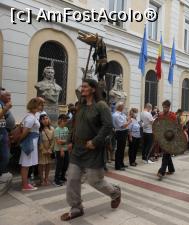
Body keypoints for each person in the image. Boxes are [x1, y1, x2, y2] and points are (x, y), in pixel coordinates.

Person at [61, 79, 121, 221]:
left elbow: (108, 126)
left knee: (95, 181)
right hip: (78, 150)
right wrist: (70, 141)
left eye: (85, 86)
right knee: (72, 179)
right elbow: (74, 125)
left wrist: (95, 141)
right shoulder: (80, 106)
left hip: (93, 150)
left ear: (93, 89)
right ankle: (76, 208)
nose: (82, 88)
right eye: (82, 86)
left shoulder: (101, 106)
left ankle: (115, 193)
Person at [19, 98, 41, 191]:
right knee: (26, 164)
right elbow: (25, 132)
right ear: (35, 106)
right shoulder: (31, 118)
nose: (41, 106)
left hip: (32, 141)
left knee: (27, 164)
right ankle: (25, 185)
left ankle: (25, 183)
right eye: (40, 104)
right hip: (29, 142)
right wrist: (19, 141)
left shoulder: (32, 115)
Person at [157, 100, 177, 180]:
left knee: (165, 154)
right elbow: (158, 125)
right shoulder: (161, 115)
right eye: (163, 107)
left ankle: (161, 172)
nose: (164, 109)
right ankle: (171, 169)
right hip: (163, 137)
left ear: (169, 107)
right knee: (167, 154)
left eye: (165, 107)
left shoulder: (173, 116)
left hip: (170, 138)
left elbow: (175, 127)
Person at [0, 88, 13, 195]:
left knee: (5, 156)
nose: (10, 97)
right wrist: (6, 109)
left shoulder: (3, 104)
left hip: (3, 132)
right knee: (4, 156)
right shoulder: (3, 105)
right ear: (1, 96)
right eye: (7, 95)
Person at [112, 102, 131, 170]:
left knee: (122, 149)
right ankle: (118, 165)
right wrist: (129, 121)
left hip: (123, 132)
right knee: (119, 150)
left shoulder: (121, 114)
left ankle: (121, 163)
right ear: (119, 107)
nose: (124, 107)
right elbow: (122, 126)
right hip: (120, 132)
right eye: (123, 106)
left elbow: (126, 120)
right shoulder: (116, 115)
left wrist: (128, 119)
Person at [38, 114, 55, 186]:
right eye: (43, 119)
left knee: (48, 164)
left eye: (46, 118)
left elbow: (54, 140)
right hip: (42, 149)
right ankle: (42, 179)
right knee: (41, 164)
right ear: (40, 121)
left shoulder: (52, 128)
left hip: (50, 148)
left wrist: (50, 149)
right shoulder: (39, 129)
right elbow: (39, 141)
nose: (45, 120)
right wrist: (43, 149)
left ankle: (46, 178)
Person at [54, 114, 69, 186]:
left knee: (66, 164)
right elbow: (58, 141)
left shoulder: (66, 129)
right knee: (59, 165)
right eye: (64, 120)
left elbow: (68, 139)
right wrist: (61, 150)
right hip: (59, 150)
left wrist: (64, 141)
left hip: (66, 149)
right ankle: (56, 180)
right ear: (60, 120)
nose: (66, 122)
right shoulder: (57, 129)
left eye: (66, 120)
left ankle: (62, 177)